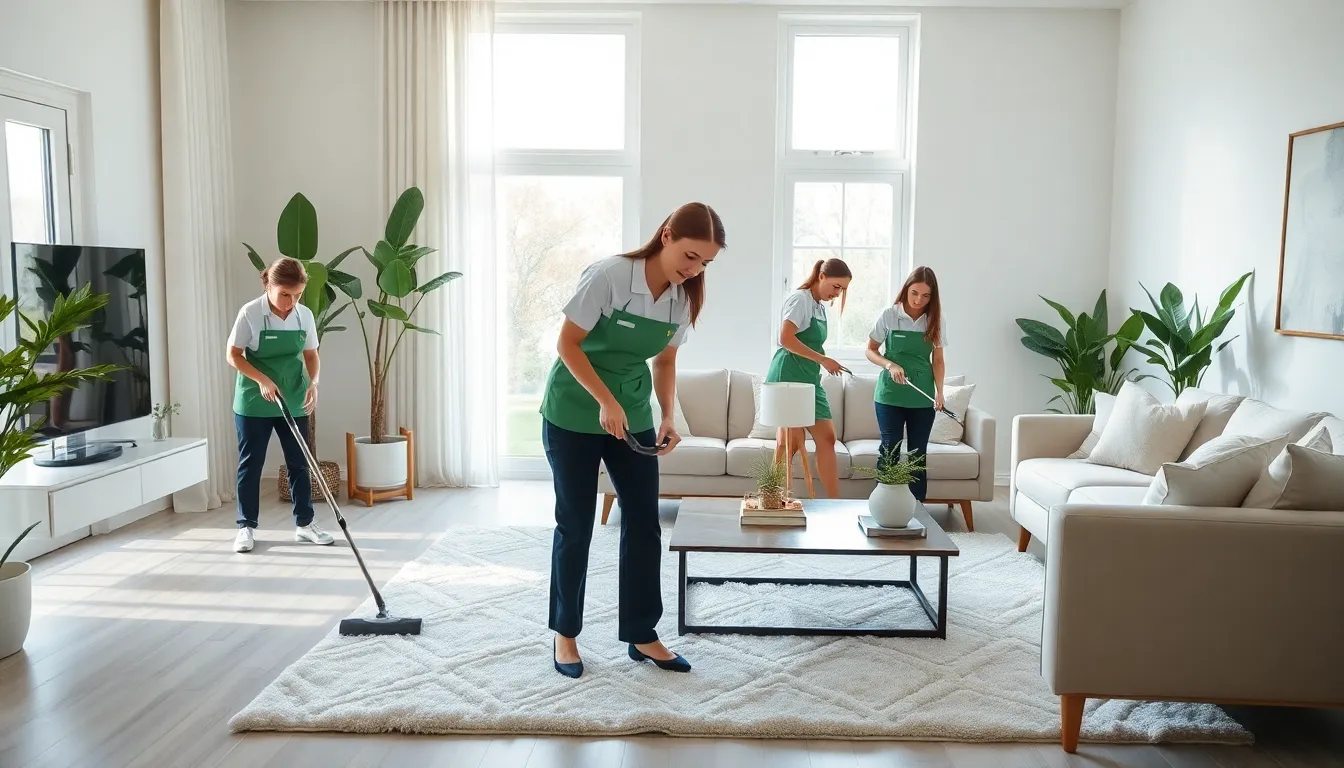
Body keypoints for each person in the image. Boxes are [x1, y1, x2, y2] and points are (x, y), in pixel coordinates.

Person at [540, 202, 725, 679]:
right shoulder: (609, 276)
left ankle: (643, 635)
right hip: (575, 410)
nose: (694, 269)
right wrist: (605, 401)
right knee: (576, 525)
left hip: (634, 412)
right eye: (690, 256)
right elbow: (567, 345)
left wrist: (667, 414)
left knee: (644, 524)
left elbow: (664, 362)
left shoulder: (682, 298)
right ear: (665, 235)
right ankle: (566, 634)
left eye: (705, 262)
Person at [226, 257, 334, 553]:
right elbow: (234, 355)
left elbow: (311, 355)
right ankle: (245, 527)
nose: (291, 301)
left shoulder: (304, 315)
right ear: (269, 285)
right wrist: (262, 380)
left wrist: (314, 383)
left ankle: (305, 524)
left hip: (294, 397)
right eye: (285, 294)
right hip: (254, 400)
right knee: (252, 464)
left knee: (299, 463)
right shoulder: (250, 313)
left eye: (297, 295)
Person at [765, 258, 852, 498]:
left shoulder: (819, 306)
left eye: (842, 289)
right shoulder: (800, 299)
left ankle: (835, 503)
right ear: (821, 276)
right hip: (788, 375)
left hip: (809, 378)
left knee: (827, 437)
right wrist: (823, 360)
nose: (837, 293)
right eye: (836, 286)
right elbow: (785, 338)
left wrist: (821, 360)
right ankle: (771, 498)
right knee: (788, 444)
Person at [865, 265, 948, 506]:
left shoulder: (935, 321)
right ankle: (882, 505)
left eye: (925, 295)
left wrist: (940, 393)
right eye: (914, 293)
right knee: (889, 450)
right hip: (889, 396)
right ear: (906, 290)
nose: (918, 300)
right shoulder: (889, 315)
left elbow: (939, 361)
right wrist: (889, 365)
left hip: (922, 398)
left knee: (917, 454)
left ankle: (917, 508)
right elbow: (870, 351)